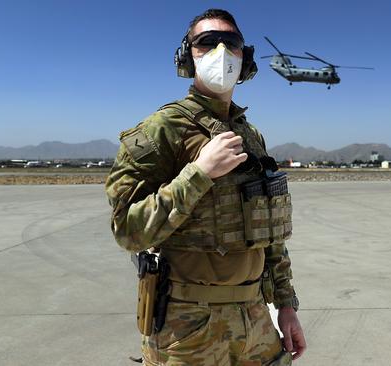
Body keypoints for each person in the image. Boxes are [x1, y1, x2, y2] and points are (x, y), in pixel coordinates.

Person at [105, 8, 305, 366]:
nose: (221, 52)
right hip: (189, 327)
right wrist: (199, 173)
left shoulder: (251, 135)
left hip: (256, 318)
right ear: (187, 55)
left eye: (232, 43)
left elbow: (269, 234)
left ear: (245, 58)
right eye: (207, 42)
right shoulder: (161, 131)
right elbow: (128, 232)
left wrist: (286, 306)